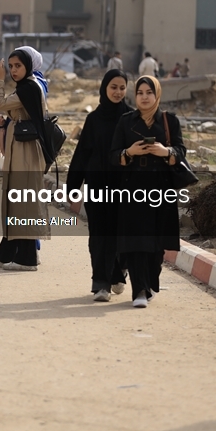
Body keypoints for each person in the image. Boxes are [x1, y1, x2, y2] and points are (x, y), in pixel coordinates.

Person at [110, 75, 184, 308]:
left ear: (157, 94)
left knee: (156, 245)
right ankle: (139, 290)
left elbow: (181, 150)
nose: (144, 97)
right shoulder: (125, 121)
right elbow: (113, 155)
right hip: (133, 187)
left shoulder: (169, 120)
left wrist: (165, 151)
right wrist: (129, 152)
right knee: (136, 241)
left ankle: (149, 281)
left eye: (148, 92)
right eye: (140, 92)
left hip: (161, 188)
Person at [0, 50, 54, 271]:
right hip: (21, 148)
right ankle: (7, 252)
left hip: (26, 151)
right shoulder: (28, 86)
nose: (13, 70)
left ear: (28, 66)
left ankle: (27, 258)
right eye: (11, 66)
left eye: (18, 66)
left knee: (23, 200)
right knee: (17, 200)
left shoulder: (29, 88)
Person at [66, 69, 130, 301]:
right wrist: (73, 186)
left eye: (122, 87)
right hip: (97, 186)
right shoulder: (93, 119)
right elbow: (82, 153)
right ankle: (100, 284)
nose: (118, 92)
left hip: (124, 188)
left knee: (121, 235)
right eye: (113, 87)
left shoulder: (131, 118)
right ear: (104, 88)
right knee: (99, 236)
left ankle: (119, 270)